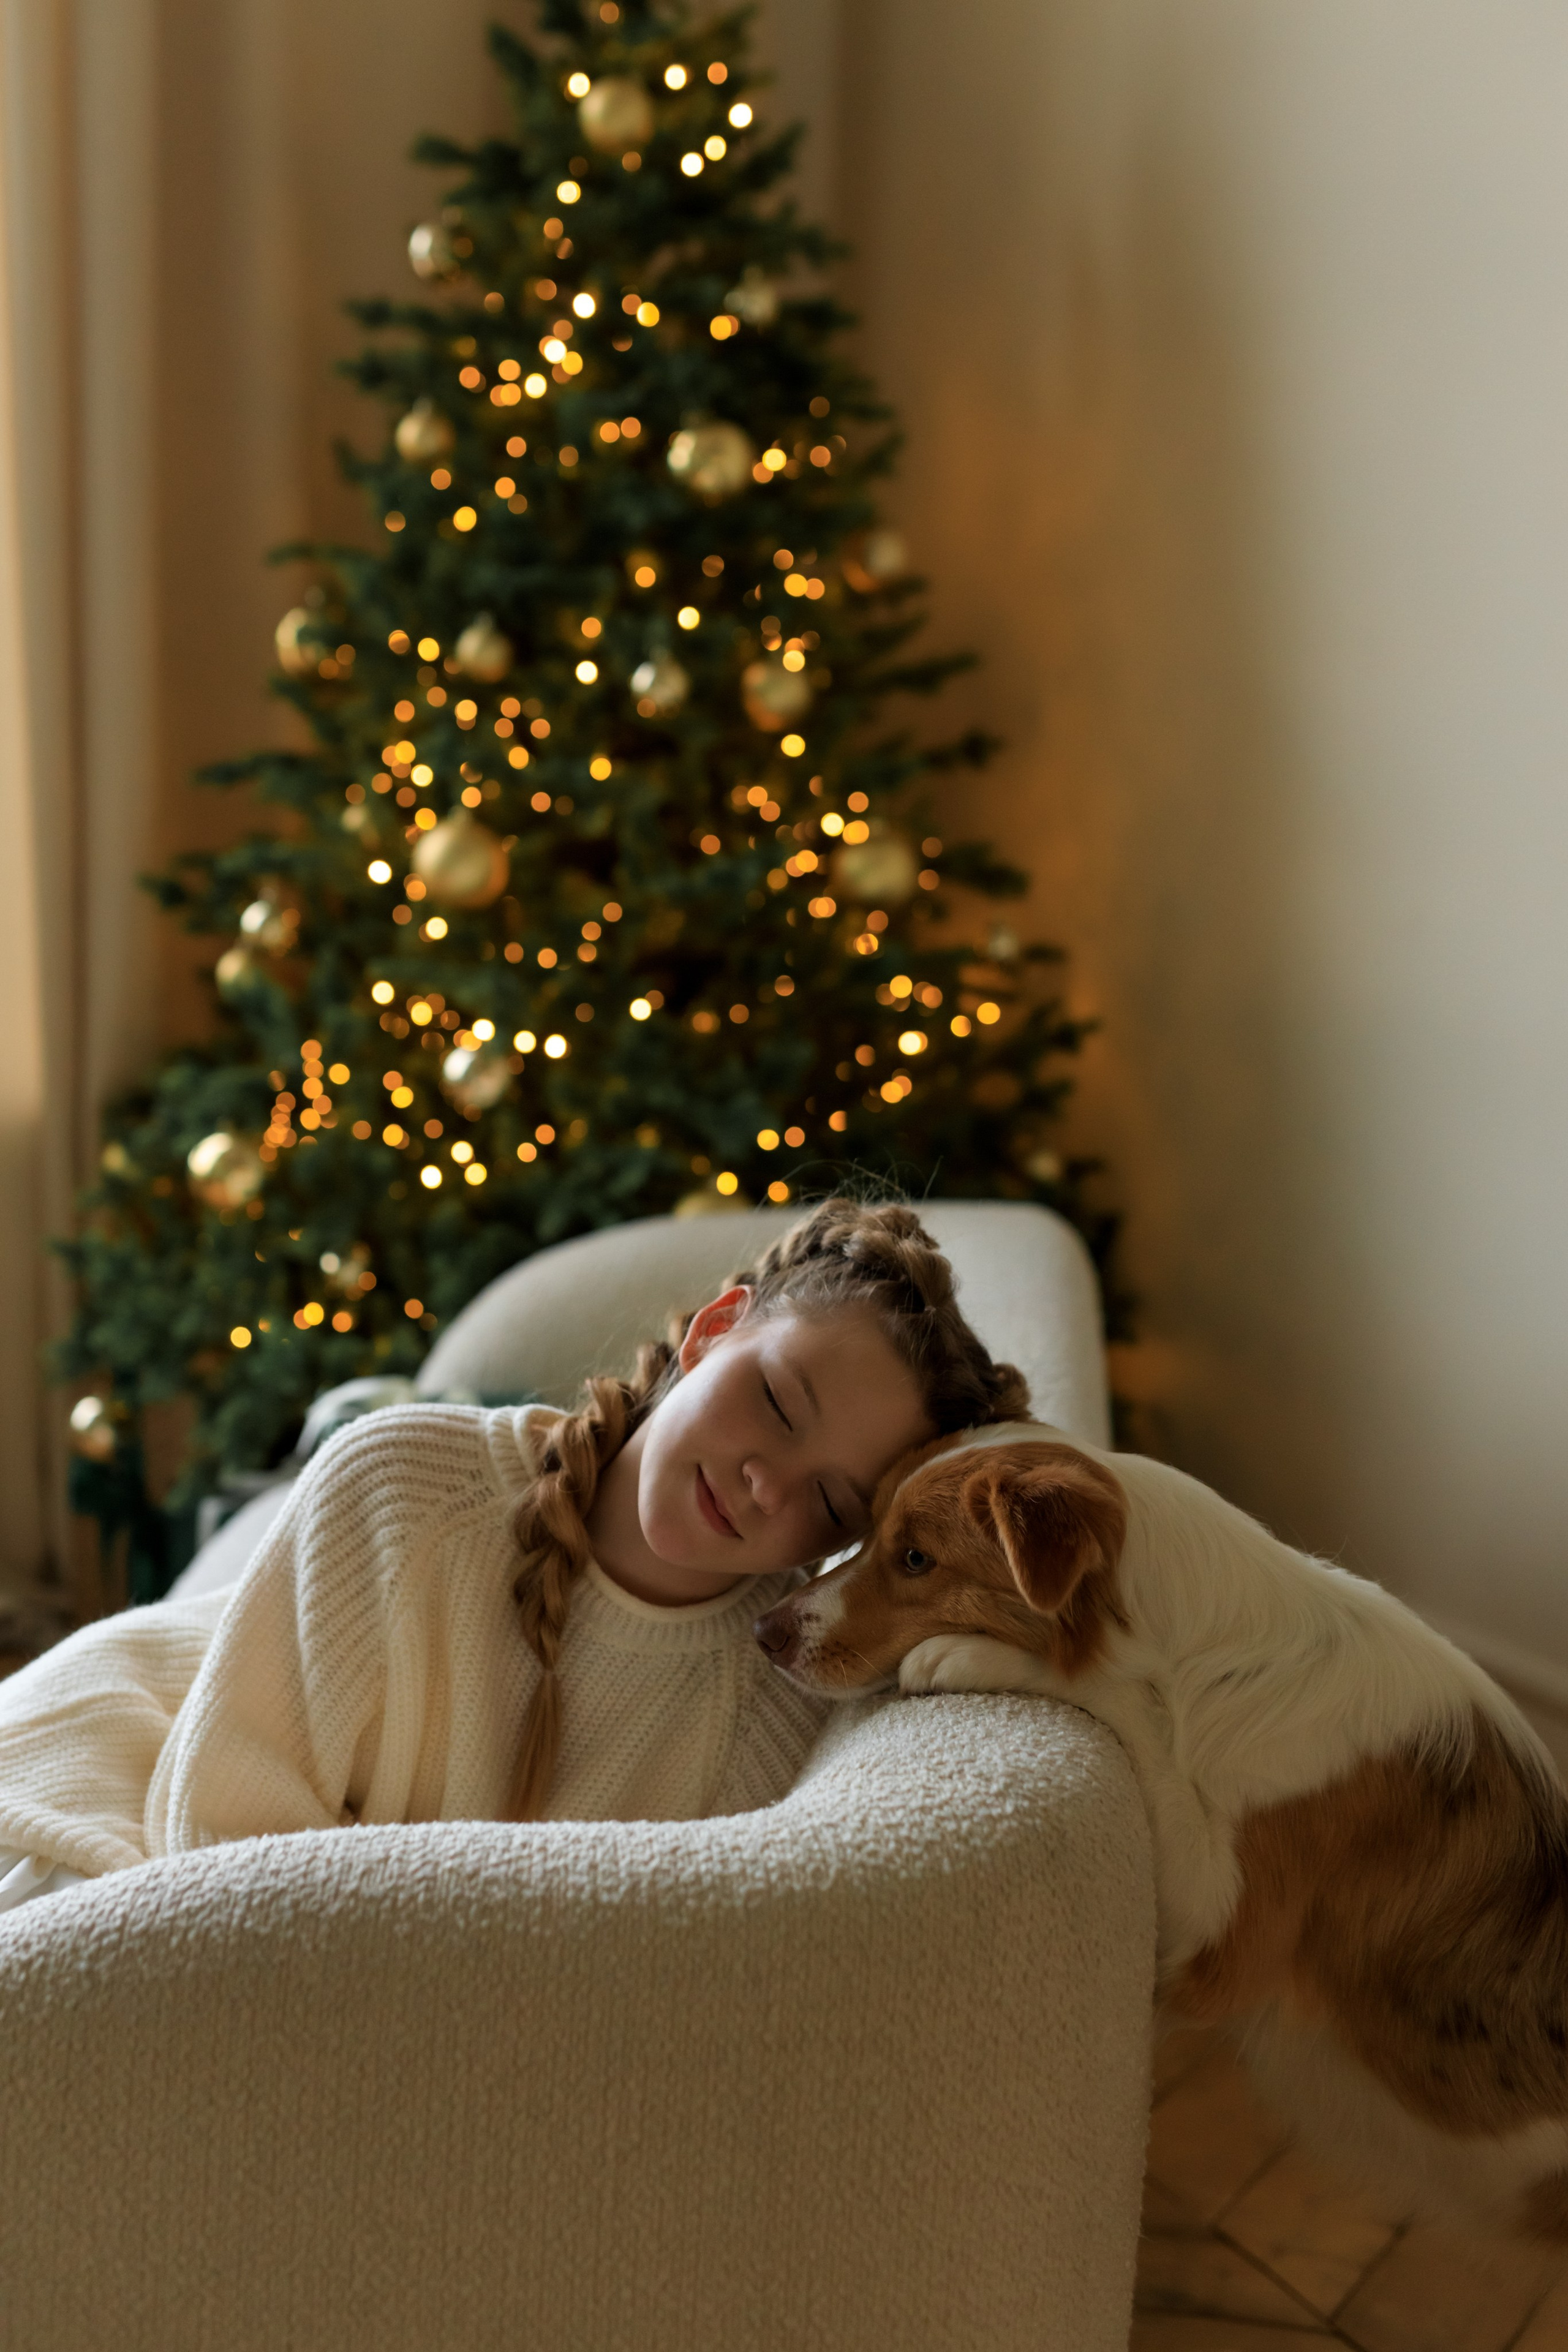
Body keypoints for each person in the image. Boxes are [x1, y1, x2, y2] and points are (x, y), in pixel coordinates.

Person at [0, 1198, 1030, 1911]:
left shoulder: (769, 1710)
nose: (769, 1482)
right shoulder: (403, 1486)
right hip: (94, 1803)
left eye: (830, 1498)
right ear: (715, 1331)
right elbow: (211, 1851)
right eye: (773, 1402)